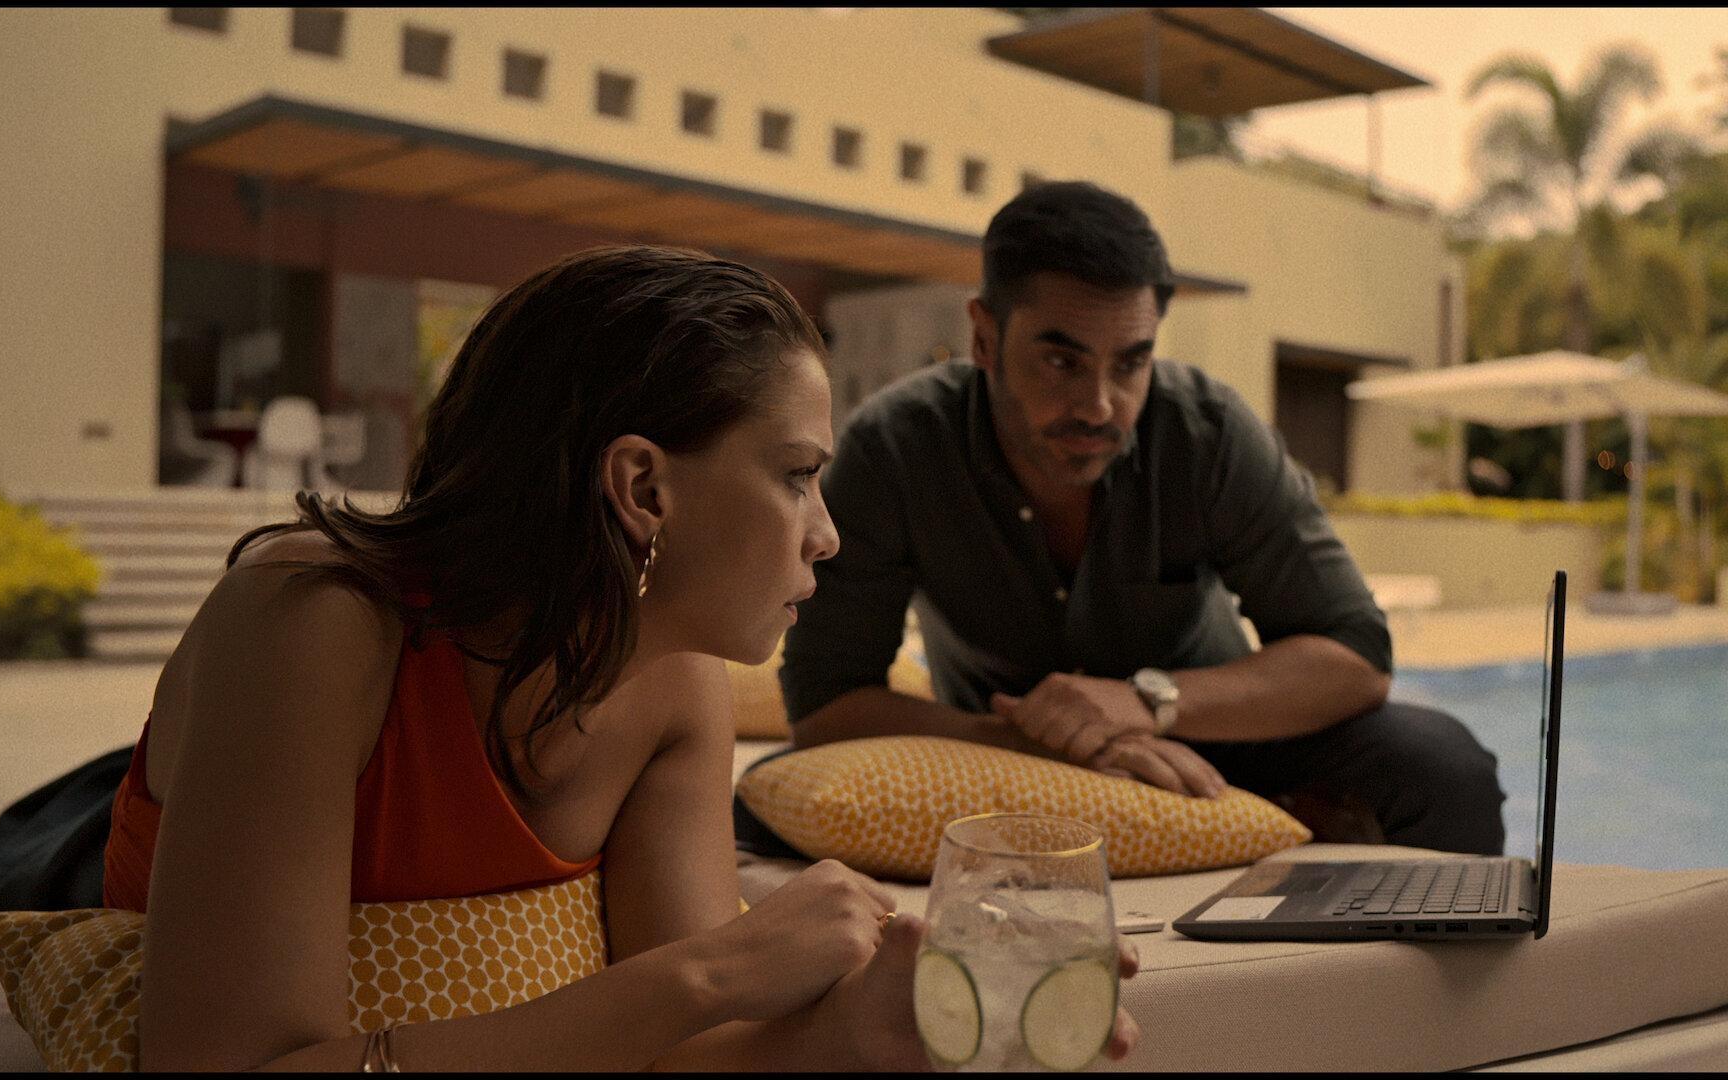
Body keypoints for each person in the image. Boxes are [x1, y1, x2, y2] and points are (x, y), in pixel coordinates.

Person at [102, 244, 1144, 1071]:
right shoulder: (310, 626)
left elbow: (682, 1058)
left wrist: (860, 1032)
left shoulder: (679, 682)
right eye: (796, 476)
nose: (827, 535)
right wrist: (710, 972)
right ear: (643, 488)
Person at [771, 182, 1507, 857]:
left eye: (1130, 364)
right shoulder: (897, 449)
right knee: (761, 805)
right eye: (1062, 362)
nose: (1100, 406)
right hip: (999, 752)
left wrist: (1147, 702)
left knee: (1443, 767)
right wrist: (1039, 742)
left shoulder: (1206, 432)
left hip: (1211, 740)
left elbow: (1357, 656)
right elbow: (824, 706)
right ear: (985, 338)